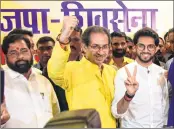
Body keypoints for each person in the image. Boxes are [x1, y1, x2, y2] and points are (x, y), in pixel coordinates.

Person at [48, 16, 117, 128]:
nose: (101, 52)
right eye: (95, 46)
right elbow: (54, 72)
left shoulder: (111, 71)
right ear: (84, 47)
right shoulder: (72, 69)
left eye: (104, 47)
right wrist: (64, 37)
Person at [111, 27, 169, 128]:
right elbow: (117, 112)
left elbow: (164, 107)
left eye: (150, 46)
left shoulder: (161, 73)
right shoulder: (123, 73)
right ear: (135, 47)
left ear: (156, 49)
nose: (145, 50)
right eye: (141, 46)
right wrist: (129, 95)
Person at [1, 34, 60, 128]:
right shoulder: (2, 81)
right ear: (5, 56)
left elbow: (56, 116)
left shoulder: (44, 81)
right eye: (13, 53)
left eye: (24, 51)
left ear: (31, 51)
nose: (20, 56)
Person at [34, 36, 68, 111]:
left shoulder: (66, 68)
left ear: (55, 50)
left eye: (49, 48)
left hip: (65, 111)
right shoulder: (32, 72)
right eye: (41, 49)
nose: (45, 52)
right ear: (36, 52)